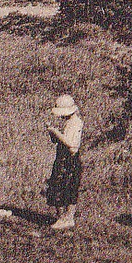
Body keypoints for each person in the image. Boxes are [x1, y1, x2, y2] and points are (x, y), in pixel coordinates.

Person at [44, 93, 83, 230]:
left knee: (66, 188)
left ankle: (66, 218)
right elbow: (57, 141)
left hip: (69, 161)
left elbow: (72, 145)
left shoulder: (76, 123)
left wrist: (56, 132)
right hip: (62, 159)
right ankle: (63, 218)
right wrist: (52, 133)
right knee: (60, 188)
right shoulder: (69, 122)